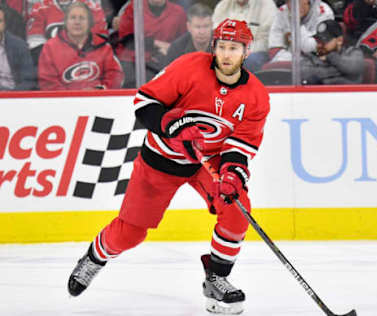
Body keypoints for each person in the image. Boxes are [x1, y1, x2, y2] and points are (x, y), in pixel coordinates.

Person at [67, 18, 270, 315]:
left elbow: (242, 144)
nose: (227, 55)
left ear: (246, 52)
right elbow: (144, 102)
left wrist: (232, 173)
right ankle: (94, 258)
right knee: (130, 234)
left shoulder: (256, 95)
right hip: (162, 159)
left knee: (237, 207)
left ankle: (216, 278)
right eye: (223, 47)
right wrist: (172, 128)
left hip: (206, 160)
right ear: (214, 48)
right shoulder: (189, 67)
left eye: (234, 48)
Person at [37, 2, 124, 90]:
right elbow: (47, 82)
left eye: (82, 18)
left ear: (89, 23)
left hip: (97, 100)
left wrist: (99, 90)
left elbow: (116, 75)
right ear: (66, 22)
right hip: (63, 102)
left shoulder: (103, 46)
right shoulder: (50, 47)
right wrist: (72, 96)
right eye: (73, 18)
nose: (77, 22)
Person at [116, 0, 187, 88]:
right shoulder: (134, 8)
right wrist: (155, 43)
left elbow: (184, 41)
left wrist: (171, 49)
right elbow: (125, 38)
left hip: (165, 63)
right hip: (134, 64)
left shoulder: (178, 12)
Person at [27, 0, 108, 66]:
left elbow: (100, 41)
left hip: (87, 63)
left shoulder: (92, 7)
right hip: (51, 65)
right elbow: (35, 44)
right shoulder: (40, 7)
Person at [212, 0, 278, 72]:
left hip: (255, 53)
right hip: (227, 52)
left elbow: (266, 41)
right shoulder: (223, 5)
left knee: (249, 60)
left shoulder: (267, 5)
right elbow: (217, 36)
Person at [267, 0, 334, 64]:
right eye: (288, 1)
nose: (292, 5)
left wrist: (297, 22)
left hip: (316, 65)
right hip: (289, 62)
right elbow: (274, 48)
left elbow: (314, 49)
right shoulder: (283, 11)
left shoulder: (324, 13)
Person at [302, 19, 364, 84]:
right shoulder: (312, 55)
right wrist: (341, 72)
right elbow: (303, 73)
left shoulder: (353, 52)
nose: (320, 44)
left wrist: (329, 56)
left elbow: (352, 69)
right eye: (318, 40)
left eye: (325, 40)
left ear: (339, 40)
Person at [0, 4, 35, 90]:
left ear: (4, 24)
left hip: (14, 96)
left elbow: (29, 80)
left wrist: (13, 96)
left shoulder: (19, 46)